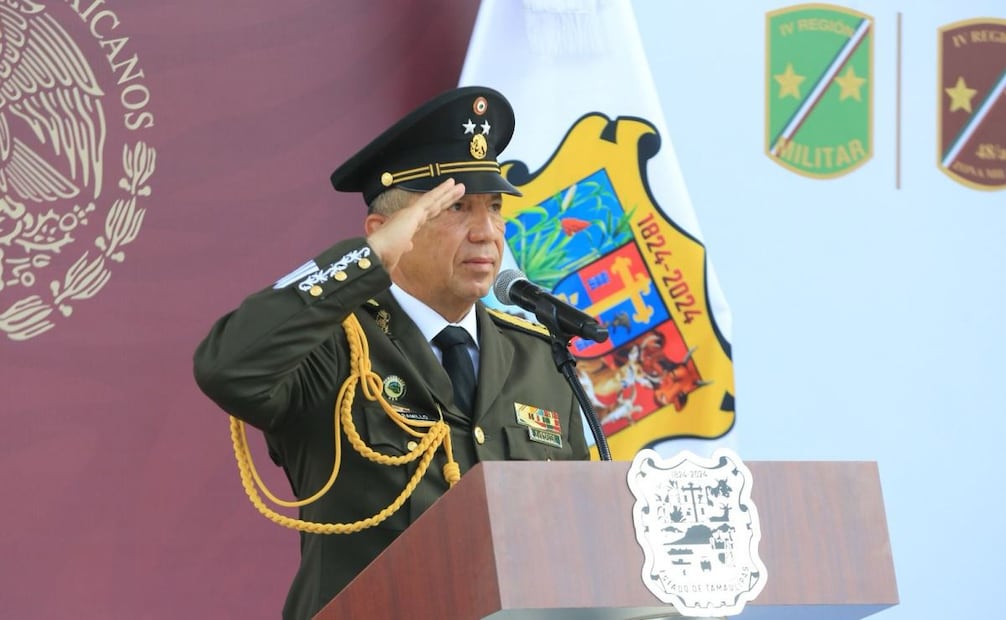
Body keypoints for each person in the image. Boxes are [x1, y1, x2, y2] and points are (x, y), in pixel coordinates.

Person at [193, 85, 590, 620]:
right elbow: (227, 366)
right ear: (385, 233)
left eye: (494, 207)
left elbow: (574, 537)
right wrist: (365, 261)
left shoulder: (540, 359)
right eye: (455, 208)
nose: (486, 232)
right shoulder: (329, 346)